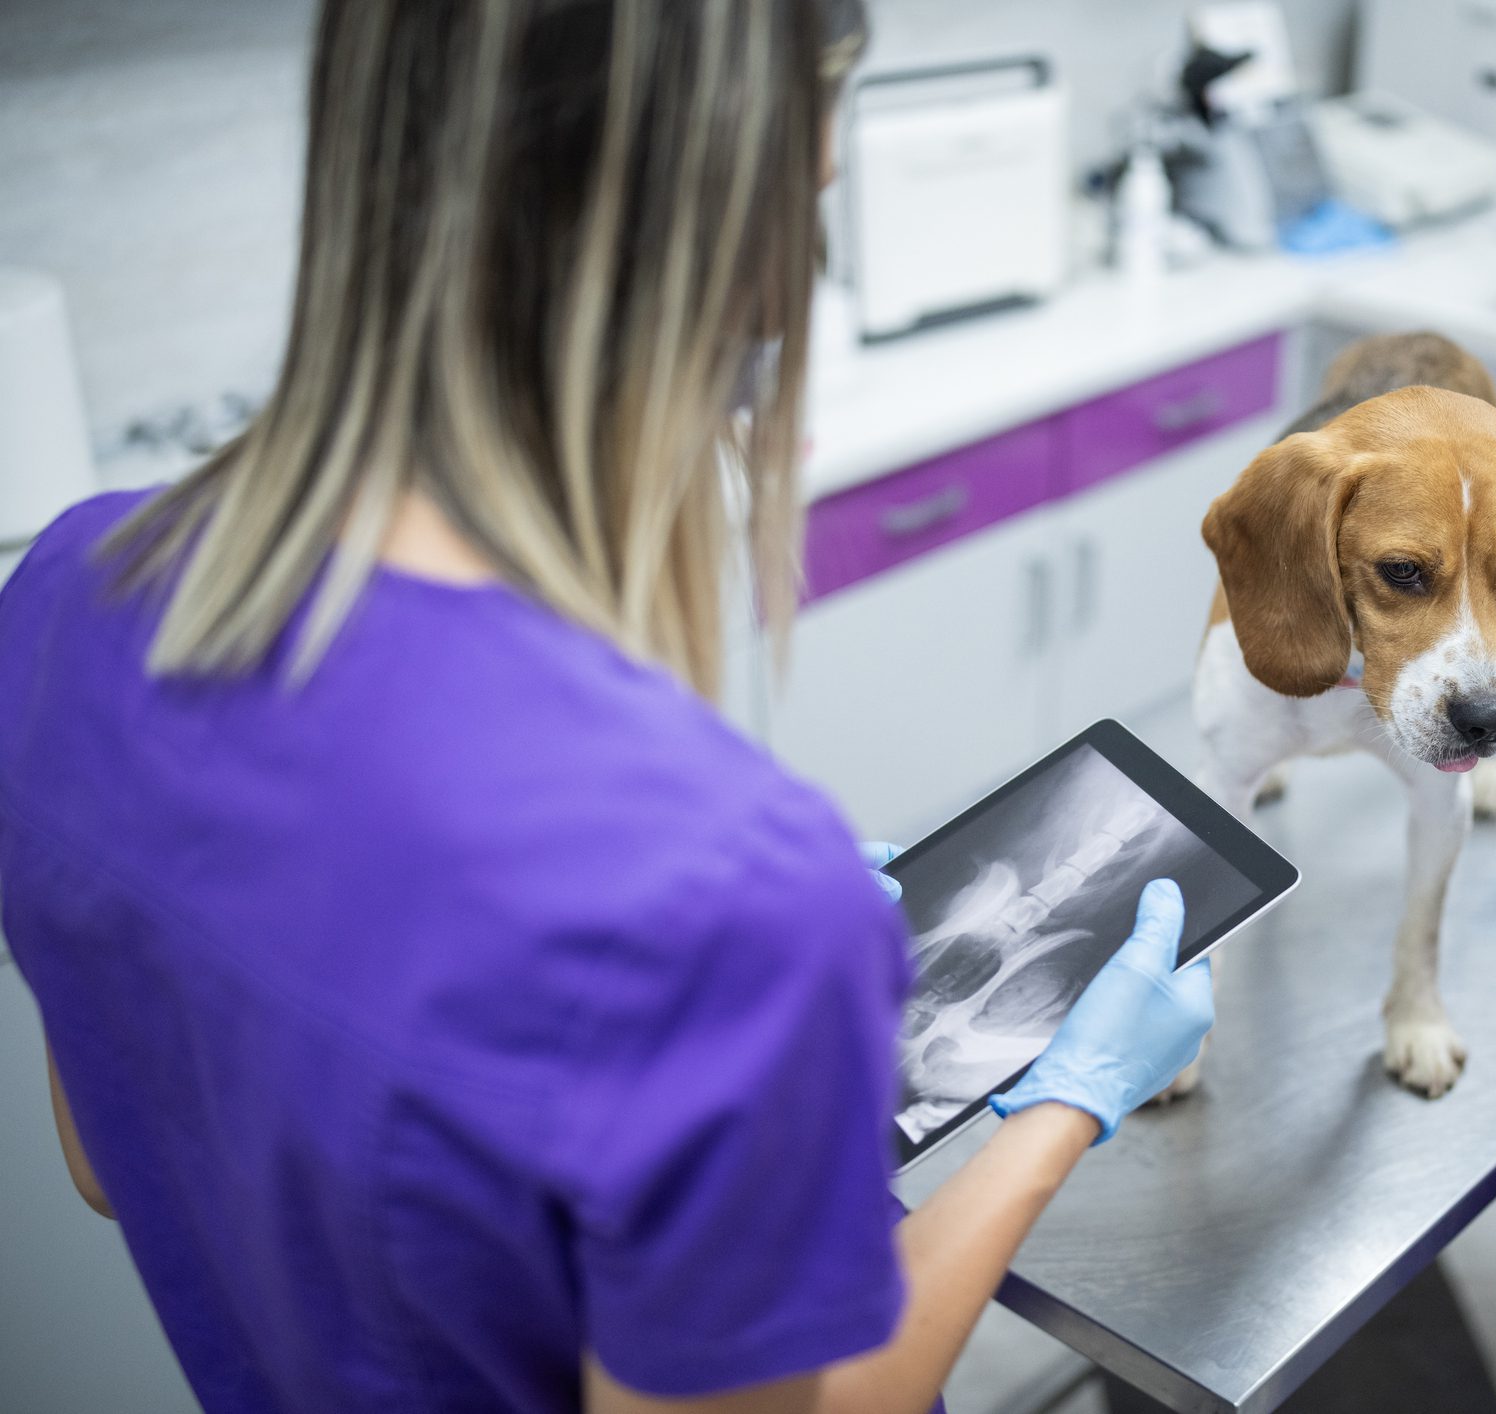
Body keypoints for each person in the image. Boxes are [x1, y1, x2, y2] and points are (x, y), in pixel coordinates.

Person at [0, 4, 1213, 1412]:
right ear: (713, 242)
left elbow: (112, 1160)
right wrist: (1063, 1103)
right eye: (810, 207)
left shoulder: (63, 595)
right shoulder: (710, 883)